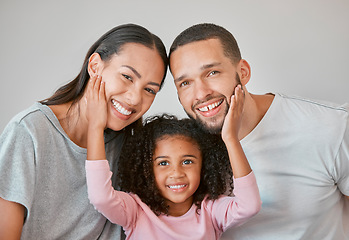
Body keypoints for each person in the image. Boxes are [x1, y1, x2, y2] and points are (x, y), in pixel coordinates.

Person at [168, 23, 349, 239]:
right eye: (185, 82)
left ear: (243, 72)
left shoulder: (330, 126)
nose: (200, 94)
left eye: (212, 72)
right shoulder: (182, 154)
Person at [0, 23, 168, 239]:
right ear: (95, 66)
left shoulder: (133, 146)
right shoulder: (29, 132)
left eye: (149, 89)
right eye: (127, 77)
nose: (135, 98)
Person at [84, 76, 261, 239]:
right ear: (147, 169)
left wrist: (230, 139)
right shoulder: (136, 210)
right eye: (163, 163)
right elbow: (101, 197)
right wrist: (95, 127)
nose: (176, 173)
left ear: (204, 165)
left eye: (187, 161)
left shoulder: (211, 211)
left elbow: (249, 206)